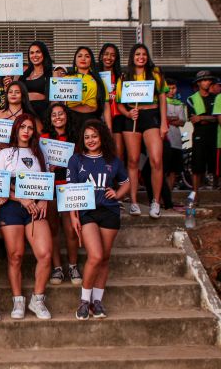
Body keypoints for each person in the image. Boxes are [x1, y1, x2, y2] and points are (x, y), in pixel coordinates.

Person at [68, 119, 130, 319]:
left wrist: (118, 194)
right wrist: (73, 216)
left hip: (110, 212)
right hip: (87, 213)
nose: (91, 140)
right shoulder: (76, 159)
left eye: (94, 136)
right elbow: (70, 191)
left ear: (102, 136)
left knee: (104, 258)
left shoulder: (113, 160)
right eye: (87, 137)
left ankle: (97, 301)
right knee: (95, 255)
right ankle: (84, 301)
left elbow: (126, 182)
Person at [0, 114, 52, 320]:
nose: (26, 131)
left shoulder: (40, 153)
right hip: (12, 207)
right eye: (22, 127)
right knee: (15, 256)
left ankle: (38, 299)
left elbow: (46, 180)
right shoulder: (4, 154)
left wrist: (44, 199)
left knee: (45, 254)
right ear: (16, 129)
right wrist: (21, 199)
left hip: (36, 207)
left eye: (30, 127)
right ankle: (18, 300)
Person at [116, 43, 168, 218]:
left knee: (156, 159)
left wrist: (164, 123)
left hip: (151, 116)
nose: (141, 57)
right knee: (133, 160)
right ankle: (134, 202)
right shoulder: (124, 76)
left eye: (144, 54)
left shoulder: (155, 74)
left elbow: (162, 97)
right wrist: (128, 113)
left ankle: (156, 201)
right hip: (132, 118)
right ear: (132, 56)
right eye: (137, 54)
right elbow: (119, 103)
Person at [41, 103, 81, 286]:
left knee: (71, 230)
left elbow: (81, 162)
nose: (57, 117)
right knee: (53, 229)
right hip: (49, 187)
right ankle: (57, 267)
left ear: (66, 116)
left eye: (61, 114)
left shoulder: (75, 137)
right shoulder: (44, 137)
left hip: (68, 187)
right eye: (53, 114)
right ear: (49, 118)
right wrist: (48, 166)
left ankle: (73, 266)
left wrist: (66, 164)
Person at [187, 70, 221, 199]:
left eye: (209, 80)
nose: (207, 82)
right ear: (199, 83)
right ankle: (195, 193)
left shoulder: (216, 98)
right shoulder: (192, 99)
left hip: (215, 134)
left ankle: (216, 190)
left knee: (216, 164)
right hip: (199, 134)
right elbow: (193, 119)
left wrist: (202, 118)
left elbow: (216, 118)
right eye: (204, 80)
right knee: (197, 165)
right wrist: (208, 118)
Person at [68, 46, 111, 132]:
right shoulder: (66, 78)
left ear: (91, 60)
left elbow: (106, 106)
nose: (83, 58)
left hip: (92, 120)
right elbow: (57, 103)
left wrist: (109, 129)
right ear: (75, 60)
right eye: (80, 56)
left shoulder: (99, 81)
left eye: (87, 56)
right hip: (71, 121)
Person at [98, 43, 125, 160]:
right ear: (101, 56)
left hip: (118, 117)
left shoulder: (122, 77)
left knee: (118, 153)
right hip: (100, 117)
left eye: (113, 55)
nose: (109, 58)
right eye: (106, 54)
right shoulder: (94, 76)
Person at [19, 41, 53, 119]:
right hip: (24, 113)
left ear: (44, 54)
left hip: (43, 114)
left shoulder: (51, 74)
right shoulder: (23, 75)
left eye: (38, 52)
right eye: (32, 53)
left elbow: (54, 99)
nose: (35, 55)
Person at [165, 79, 186, 190]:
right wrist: (173, 119)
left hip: (177, 141)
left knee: (173, 170)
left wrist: (168, 119)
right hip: (165, 139)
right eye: (169, 88)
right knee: (164, 169)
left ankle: (169, 194)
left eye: (174, 88)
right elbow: (161, 118)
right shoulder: (161, 102)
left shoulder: (180, 104)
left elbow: (182, 122)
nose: (172, 91)